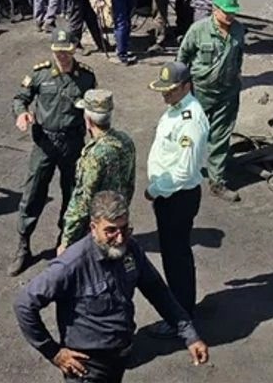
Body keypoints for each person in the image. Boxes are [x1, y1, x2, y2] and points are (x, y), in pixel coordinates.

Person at [14, 191, 210, 382]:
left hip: (120, 357)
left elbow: (157, 290)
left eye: (124, 229)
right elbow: (24, 304)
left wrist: (189, 335)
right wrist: (54, 352)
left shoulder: (130, 250)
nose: (120, 238)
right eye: (110, 230)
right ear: (93, 227)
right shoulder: (71, 264)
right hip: (87, 368)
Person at [9, 28, 98, 276]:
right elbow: (20, 98)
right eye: (58, 51)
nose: (62, 56)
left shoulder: (86, 77)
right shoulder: (40, 73)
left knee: (73, 195)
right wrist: (21, 113)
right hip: (45, 143)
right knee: (33, 192)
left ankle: (66, 242)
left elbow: (93, 110)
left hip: (73, 144)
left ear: (74, 49)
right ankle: (23, 245)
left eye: (67, 51)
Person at [146, 61, 209, 328]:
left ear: (186, 87)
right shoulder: (176, 108)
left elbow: (184, 171)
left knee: (176, 258)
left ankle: (181, 317)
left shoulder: (190, 121)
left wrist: (155, 190)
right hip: (170, 196)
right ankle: (182, 307)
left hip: (177, 197)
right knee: (173, 254)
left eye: (170, 90)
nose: (165, 94)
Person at [177, 0, 245, 203]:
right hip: (201, 93)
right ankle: (181, 174)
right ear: (215, 9)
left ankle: (217, 182)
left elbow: (239, 57)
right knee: (191, 134)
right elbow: (183, 57)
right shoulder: (199, 30)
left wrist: (236, 78)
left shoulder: (238, 30)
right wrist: (182, 88)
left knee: (220, 138)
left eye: (233, 12)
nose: (230, 16)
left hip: (227, 93)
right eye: (226, 11)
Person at [58, 90, 136, 253]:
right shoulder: (125, 141)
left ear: (88, 120)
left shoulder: (94, 155)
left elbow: (82, 201)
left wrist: (67, 240)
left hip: (99, 228)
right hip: (118, 220)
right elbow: (130, 183)